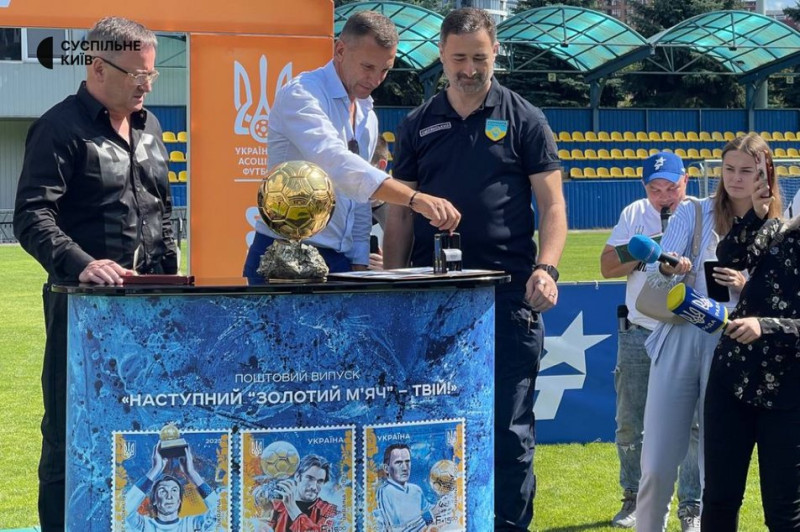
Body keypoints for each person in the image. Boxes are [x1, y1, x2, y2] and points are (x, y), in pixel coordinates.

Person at [383, 8, 567, 530]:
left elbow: (553, 206)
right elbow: (399, 214)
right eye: (459, 57)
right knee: (433, 428)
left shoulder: (526, 119)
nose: (469, 69)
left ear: (496, 53)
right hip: (432, 300)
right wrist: (394, 285)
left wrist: (547, 268)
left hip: (508, 300)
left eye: (480, 57)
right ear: (441, 56)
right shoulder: (418, 124)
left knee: (509, 431)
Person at [12, 16, 177, 531]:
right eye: (137, 75)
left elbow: (163, 213)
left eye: (151, 74)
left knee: (150, 432)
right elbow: (32, 217)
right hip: (82, 313)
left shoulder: (150, 128)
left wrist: (175, 288)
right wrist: (84, 264)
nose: (146, 85)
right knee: (70, 435)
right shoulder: (59, 128)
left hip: (152, 314)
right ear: (98, 68)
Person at [636, 133, 783, 531]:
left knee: (716, 468)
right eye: (729, 169)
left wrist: (744, 286)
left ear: (765, 174)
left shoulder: (778, 227)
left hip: (736, 342)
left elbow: (781, 300)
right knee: (657, 461)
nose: (735, 178)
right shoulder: (694, 211)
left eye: (747, 171)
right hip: (682, 333)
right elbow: (658, 269)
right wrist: (670, 267)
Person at [243, 10, 460, 277]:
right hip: (282, 255)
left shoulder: (367, 114)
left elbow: (360, 199)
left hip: (339, 260)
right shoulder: (302, 94)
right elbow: (336, 163)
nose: (376, 79)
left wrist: (358, 258)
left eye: (385, 70)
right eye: (368, 67)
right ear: (340, 50)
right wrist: (413, 198)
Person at [599, 152, 701, 529]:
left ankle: (692, 507)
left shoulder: (701, 212)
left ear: (685, 181)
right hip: (639, 331)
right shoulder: (634, 214)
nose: (664, 197)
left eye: (671, 188)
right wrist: (651, 248)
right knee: (630, 423)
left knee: (694, 426)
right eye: (655, 190)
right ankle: (632, 498)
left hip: (686, 331)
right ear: (644, 188)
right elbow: (607, 266)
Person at [702, 148, 799, 530]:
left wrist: (766, 326)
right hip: (733, 376)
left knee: (783, 511)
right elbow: (729, 256)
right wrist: (755, 215)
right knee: (719, 499)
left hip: (787, 389)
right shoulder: (777, 229)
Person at [125, 441, 219, 531]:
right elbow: (124, 510)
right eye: (162, 491)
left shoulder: (193, 524)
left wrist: (192, 473)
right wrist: (155, 470)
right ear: (154, 500)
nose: (169, 496)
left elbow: (221, 512)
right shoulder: (143, 525)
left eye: (174, 490)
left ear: (179, 500)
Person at [374, 444, 448, 531]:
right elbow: (392, 529)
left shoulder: (416, 490)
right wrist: (429, 517)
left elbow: (429, 514)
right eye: (398, 462)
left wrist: (442, 506)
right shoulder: (384, 492)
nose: (405, 468)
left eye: (407, 462)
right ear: (386, 468)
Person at [269, 454, 338, 532]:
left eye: (320, 481)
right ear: (297, 476)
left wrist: (292, 507)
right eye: (309, 478)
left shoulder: (329, 510)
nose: (313, 487)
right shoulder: (277, 506)